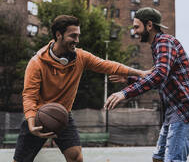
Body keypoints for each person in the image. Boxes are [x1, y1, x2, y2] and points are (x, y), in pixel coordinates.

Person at [13, 15, 150, 162]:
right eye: (73, 36)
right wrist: (32, 123)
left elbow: (108, 65)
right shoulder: (37, 63)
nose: (77, 40)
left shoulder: (80, 57)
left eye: (78, 36)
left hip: (62, 115)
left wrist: (140, 73)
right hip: (39, 116)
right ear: (58, 35)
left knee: (76, 157)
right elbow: (29, 95)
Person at [105, 7, 189, 162]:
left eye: (137, 27)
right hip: (173, 111)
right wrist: (129, 79)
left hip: (183, 109)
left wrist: (125, 92)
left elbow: (159, 75)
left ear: (149, 25)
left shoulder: (165, 42)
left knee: (173, 159)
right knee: (158, 158)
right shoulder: (159, 46)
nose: (135, 31)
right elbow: (158, 78)